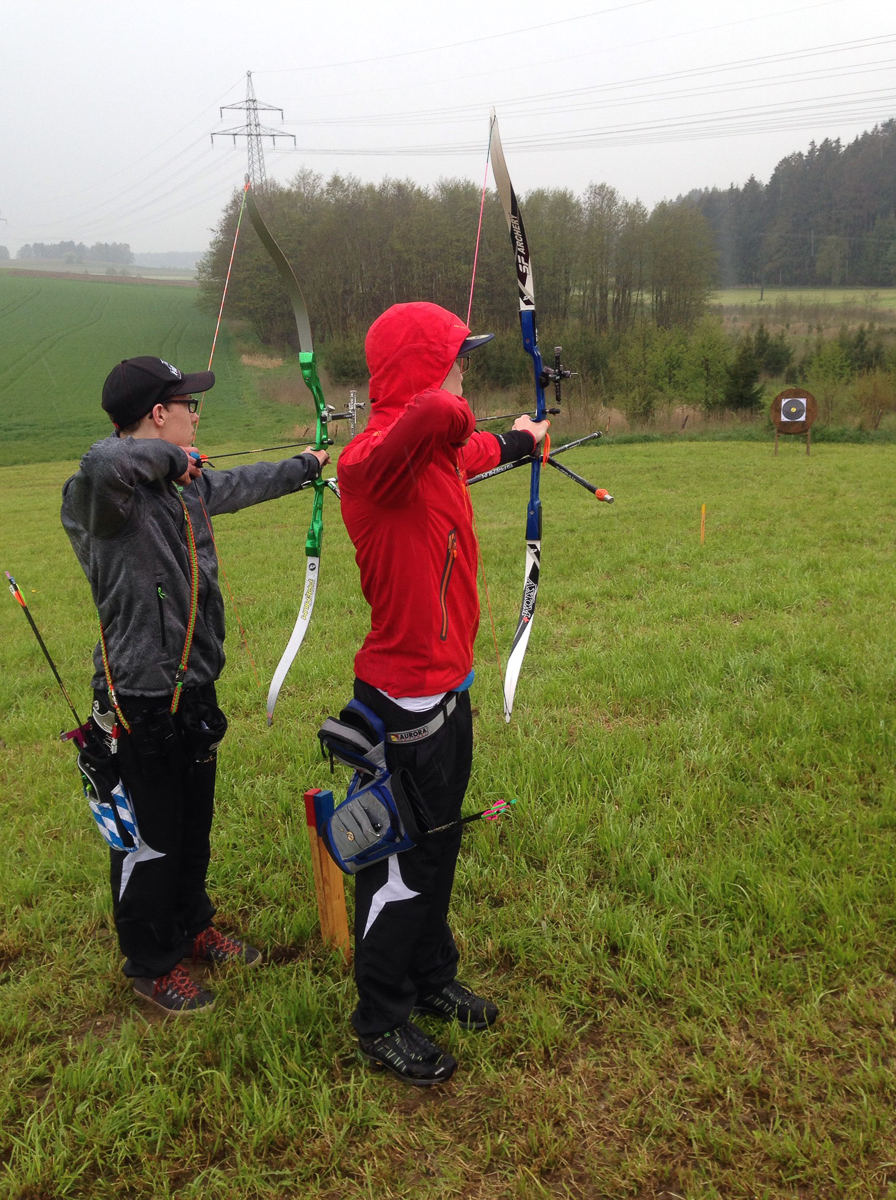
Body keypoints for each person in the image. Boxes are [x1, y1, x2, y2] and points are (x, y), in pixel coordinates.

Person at [61, 356, 330, 1015]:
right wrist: (171, 459)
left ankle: (190, 924)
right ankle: (152, 962)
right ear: (158, 414)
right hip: (138, 694)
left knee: (190, 823)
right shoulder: (105, 496)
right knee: (149, 836)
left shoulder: (179, 486)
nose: (196, 416)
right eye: (189, 406)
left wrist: (306, 466)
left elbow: (237, 484)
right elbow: (102, 461)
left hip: (192, 686)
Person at [337, 302, 548, 1085]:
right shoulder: (373, 460)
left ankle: (429, 974)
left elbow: (467, 447)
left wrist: (520, 439)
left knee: (439, 847)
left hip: (448, 687)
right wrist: (446, 400)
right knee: (398, 866)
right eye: (456, 358)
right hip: (401, 701)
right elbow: (435, 418)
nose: (465, 372)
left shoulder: (428, 456)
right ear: (425, 369)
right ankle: (381, 1017)